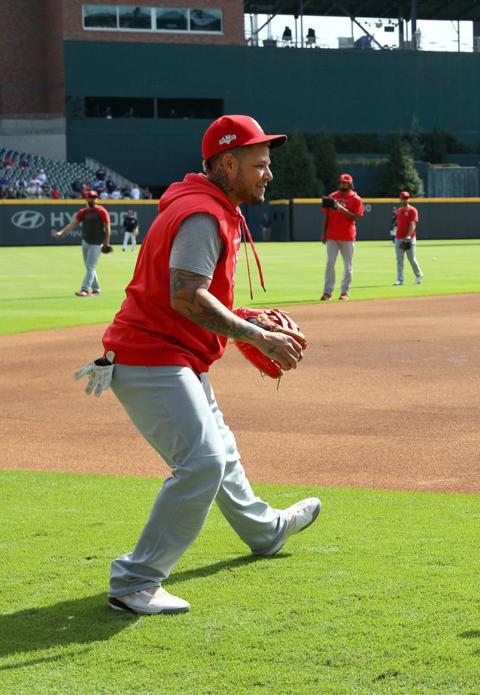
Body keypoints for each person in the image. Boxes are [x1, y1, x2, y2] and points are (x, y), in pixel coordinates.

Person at [82, 114, 320, 615]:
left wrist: (237, 317)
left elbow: (194, 296)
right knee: (203, 462)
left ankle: (265, 531)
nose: (268, 174)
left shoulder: (209, 206)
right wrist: (258, 335)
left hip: (174, 354)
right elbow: (188, 295)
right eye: (258, 165)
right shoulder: (202, 215)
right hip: (153, 355)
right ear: (228, 164)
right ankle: (136, 580)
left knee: (222, 452)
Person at [52, 189, 111, 296]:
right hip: (85, 242)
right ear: (86, 199)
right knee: (90, 267)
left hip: (96, 243)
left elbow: (107, 228)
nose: (92, 199)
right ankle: (96, 290)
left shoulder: (102, 211)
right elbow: (72, 224)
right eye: (90, 197)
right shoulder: (83, 212)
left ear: (96, 199)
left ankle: (84, 289)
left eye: (93, 197)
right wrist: (62, 233)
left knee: (90, 266)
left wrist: (106, 243)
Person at [320, 173, 364, 301]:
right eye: (341, 182)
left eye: (345, 182)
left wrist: (339, 207)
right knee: (330, 263)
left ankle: (345, 291)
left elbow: (354, 217)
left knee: (348, 265)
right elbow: (326, 216)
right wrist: (323, 233)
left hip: (348, 236)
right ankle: (327, 292)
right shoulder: (332, 197)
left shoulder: (356, 199)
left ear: (350, 184)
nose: (342, 184)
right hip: (332, 235)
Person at [393, 190, 423, 285]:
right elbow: (398, 224)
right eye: (403, 198)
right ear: (400, 199)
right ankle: (400, 280)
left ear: (409, 199)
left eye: (406, 198)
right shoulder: (398, 211)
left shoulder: (413, 210)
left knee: (411, 259)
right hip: (398, 238)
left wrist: (408, 236)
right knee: (399, 260)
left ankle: (419, 275)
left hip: (409, 239)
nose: (405, 199)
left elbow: (413, 224)